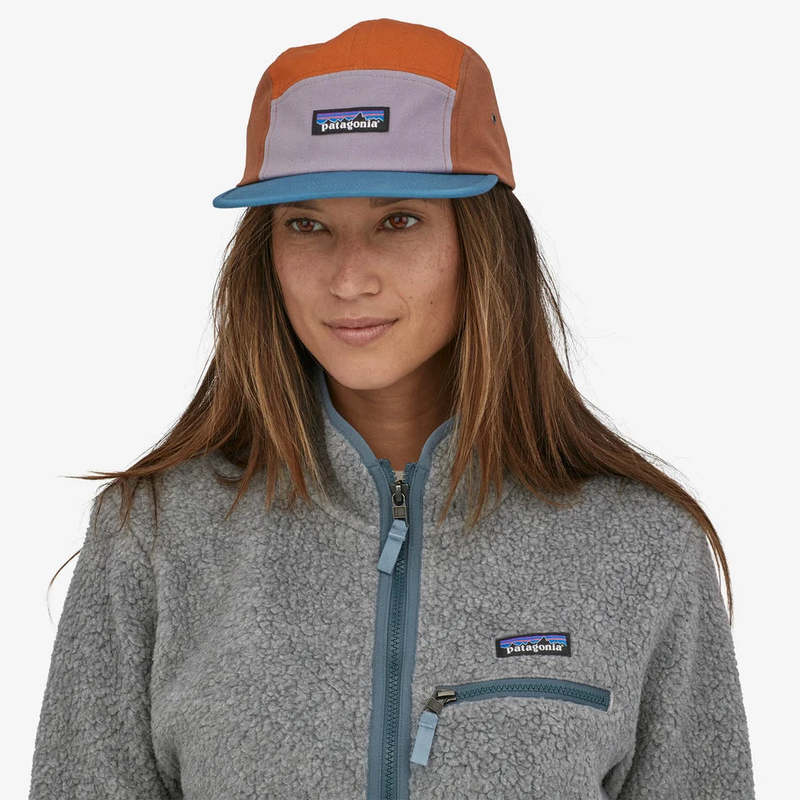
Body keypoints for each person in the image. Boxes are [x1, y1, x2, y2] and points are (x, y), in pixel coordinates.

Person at [28, 16, 755, 800]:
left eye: (398, 220)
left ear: (481, 244)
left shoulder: (644, 549)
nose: (349, 278)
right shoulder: (153, 538)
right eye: (306, 225)